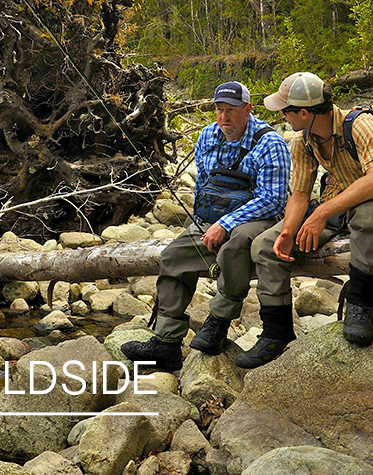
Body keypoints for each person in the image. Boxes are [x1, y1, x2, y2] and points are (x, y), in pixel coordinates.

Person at [233, 71, 373, 369]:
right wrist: (289, 231)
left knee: (368, 216)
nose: (283, 117)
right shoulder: (302, 141)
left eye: (285, 111)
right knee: (265, 245)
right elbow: (300, 193)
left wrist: (320, 214)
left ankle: (360, 304)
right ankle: (276, 333)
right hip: (336, 203)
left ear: (304, 112)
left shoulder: (361, 125)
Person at [121, 80, 291, 371]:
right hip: (212, 219)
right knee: (172, 257)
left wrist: (224, 224)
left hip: (259, 218)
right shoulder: (207, 136)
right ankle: (166, 343)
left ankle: (218, 323)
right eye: (219, 110)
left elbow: (273, 200)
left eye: (232, 111)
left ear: (247, 109)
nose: (224, 117)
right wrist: (202, 221)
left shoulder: (270, 143)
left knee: (236, 243)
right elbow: (203, 186)